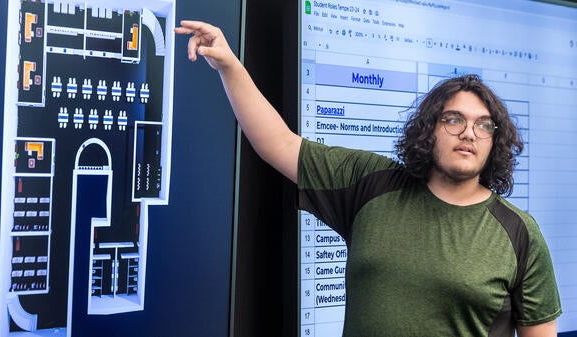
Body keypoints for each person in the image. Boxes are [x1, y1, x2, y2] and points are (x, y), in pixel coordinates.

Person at [174, 20, 562, 337]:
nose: (469, 133)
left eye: (484, 125)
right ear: (430, 128)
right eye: (454, 119)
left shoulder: (518, 233)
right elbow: (277, 143)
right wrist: (229, 65)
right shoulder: (372, 184)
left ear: (495, 140)